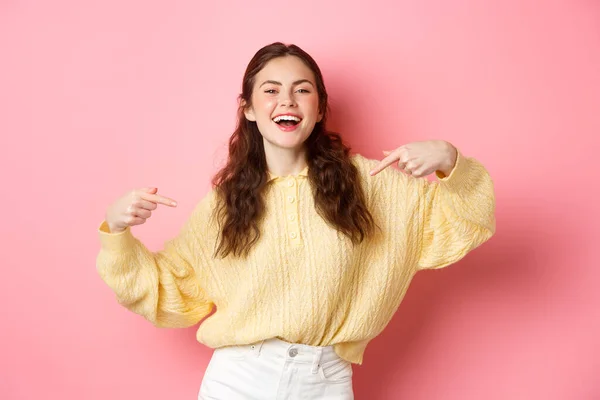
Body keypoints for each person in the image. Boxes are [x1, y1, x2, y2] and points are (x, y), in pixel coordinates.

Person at [96, 42, 496, 399]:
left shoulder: (373, 185)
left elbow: (464, 221)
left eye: (302, 90)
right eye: (270, 90)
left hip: (326, 380)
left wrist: (449, 160)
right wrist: (116, 231)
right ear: (249, 109)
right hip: (238, 380)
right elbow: (171, 292)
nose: (286, 100)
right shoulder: (223, 206)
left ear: (319, 108)